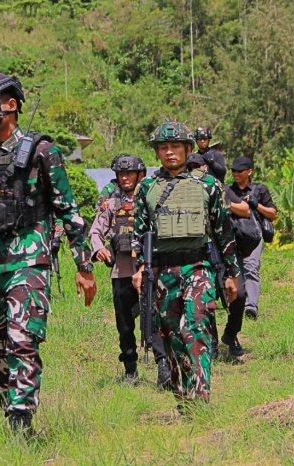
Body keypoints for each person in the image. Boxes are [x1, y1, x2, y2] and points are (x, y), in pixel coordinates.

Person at [0, 72, 97, 432]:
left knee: (22, 339)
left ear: (10, 105)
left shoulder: (42, 150)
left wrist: (83, 266)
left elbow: (68, 210)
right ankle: (9, 409)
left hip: (29, 259)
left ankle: (21, 419)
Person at [131, 121, 239, 411]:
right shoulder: (146, 188)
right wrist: (139, 269)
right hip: (163, 273)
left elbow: (224, 233)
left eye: (175, 146)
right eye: (163, 148)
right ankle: (183, 397)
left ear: (188, 150)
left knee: (196, 327)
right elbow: (139, 234)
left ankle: (201, 398)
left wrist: (231, 274)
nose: (169, 152)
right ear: (157, 152)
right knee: (172, 338)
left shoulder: (208, 185)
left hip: (198, 267)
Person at [89, 154, 171, 388]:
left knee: (154, 318)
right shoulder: (111, 202)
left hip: (148, 269)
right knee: (125, 325)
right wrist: (99, 249)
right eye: (121, 174)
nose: (125, 178)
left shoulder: (151, 197)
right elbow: (96, 231)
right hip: (121, 271)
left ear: (139, 175)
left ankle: (163, 365)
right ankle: (130, 370)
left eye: (129, 174)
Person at [187, 152, 250, 357]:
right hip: (197, 253)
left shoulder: (215, 186)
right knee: (206, 297)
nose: (195, 169)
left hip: (224, 249)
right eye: (191, 166)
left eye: (199, 165)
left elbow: (244, 209)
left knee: (238, 295)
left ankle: (231, 335)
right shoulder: (179, 190)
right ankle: (211, 341)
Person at [228, 157, 277, 320]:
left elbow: (273, 214)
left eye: (239, 171)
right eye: (233, 171)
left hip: (254, 236)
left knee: (251, 267)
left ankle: (251, 306)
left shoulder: (260, 190)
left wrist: (256, 205)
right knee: (235, 270)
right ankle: (236, 305)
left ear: (249, 171)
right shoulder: (229, 191)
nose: (235, 174)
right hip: (234, 235)